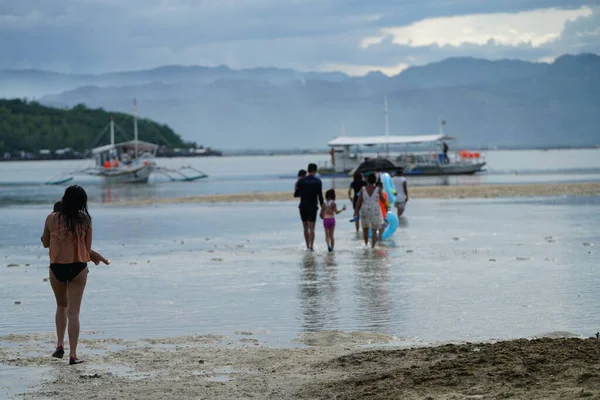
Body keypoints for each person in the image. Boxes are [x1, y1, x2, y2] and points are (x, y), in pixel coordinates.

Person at [41, 185, 93, 365]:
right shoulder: (85, 221)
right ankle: (73, 355)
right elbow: (87, 249)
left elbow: (46, 243)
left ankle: (59, 344)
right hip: (78, 267)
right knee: (74, 312)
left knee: (61, 305)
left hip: (57, 267)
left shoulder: (51, 218)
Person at [52, 201, 110, 266]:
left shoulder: (54, 221)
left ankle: (103, 260)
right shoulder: (68, 221)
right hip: (73, 255)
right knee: (87, 250)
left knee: (87, 250)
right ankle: (102, 260)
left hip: (64, 256)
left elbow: (45, 241)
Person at [294, 163, 324, 251]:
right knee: (312, 229)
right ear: (315, 171)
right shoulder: (318, 181)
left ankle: (307, 246)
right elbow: (320, 197)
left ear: (308, 170)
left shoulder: (301, 181)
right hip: (312, 206)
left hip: (303, 205)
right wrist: (322, 208)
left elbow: (296, 194)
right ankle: (311, 247)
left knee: (305, 228)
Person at [354, 174, 386, 248]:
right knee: (374, 230)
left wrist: (356, 212)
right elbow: (383, 201)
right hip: (375, 210)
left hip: (365, 209)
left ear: (367, 180)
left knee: (365, 228)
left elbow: (358, 201)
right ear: (375, 180)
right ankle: (373, 247)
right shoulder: (378, 189)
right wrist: (381, 194)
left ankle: (366, 244)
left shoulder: (363, 189)